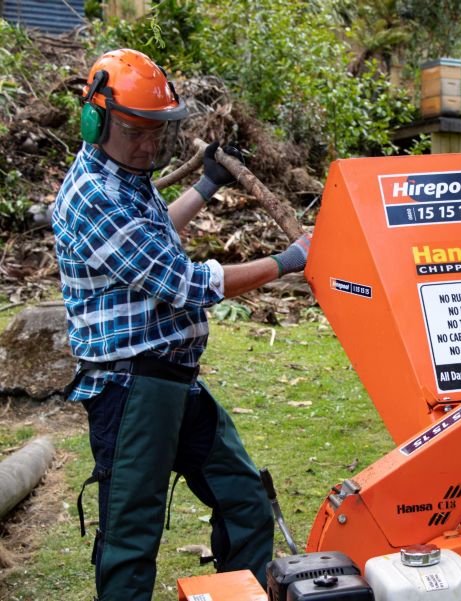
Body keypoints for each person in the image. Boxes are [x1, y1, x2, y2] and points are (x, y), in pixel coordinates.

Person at [51, 48, 310, 600]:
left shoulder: (125, 175)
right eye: (135, 132)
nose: (149, 146)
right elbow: (181, 282)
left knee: (244, 498)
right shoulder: (92, 197)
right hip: (131, 388)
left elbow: (152, 238)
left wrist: (207, 184)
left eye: (158, 134)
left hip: (174, 382)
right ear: (94, 120)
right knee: (131, 537)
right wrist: (289, 261)